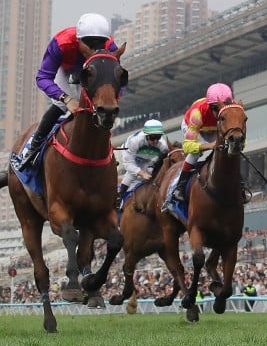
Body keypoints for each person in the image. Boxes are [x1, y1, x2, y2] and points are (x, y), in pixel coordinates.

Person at [14, 13, 119, 170]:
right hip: (65, 70)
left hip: (91, 72)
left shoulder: (111, 47)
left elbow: (117, 81)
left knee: (101, 108)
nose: (96, 49)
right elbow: (43, 77)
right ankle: (32, 150)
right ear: (78, 40)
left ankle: (106, 152)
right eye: (90, 44)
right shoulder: (61, 43)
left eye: (100, 44)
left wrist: (112, 99)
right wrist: (66, 98)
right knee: (61, 106)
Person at [164, 82, 234, 210]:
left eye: (224, 107)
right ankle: (180, 187)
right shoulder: (198, 113)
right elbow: (188, 147)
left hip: (214, 129)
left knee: (229, 150)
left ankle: (238, 184)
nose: (219, 113)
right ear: (209, 106)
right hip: (195, 127)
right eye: (215, 108)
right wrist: (210, 145)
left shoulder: (232, 111)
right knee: (195, 153)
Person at [117, 119, 170, 207]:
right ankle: (119, 197)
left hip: (146, 157)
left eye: (158, 137)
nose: (156, 141)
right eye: (153, 137)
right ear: (146, 136)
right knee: (132, 174)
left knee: (151, 172)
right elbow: (128, 164)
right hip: (130, 154)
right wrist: (141, 173)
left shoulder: (162, 145)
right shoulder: (135, 142)